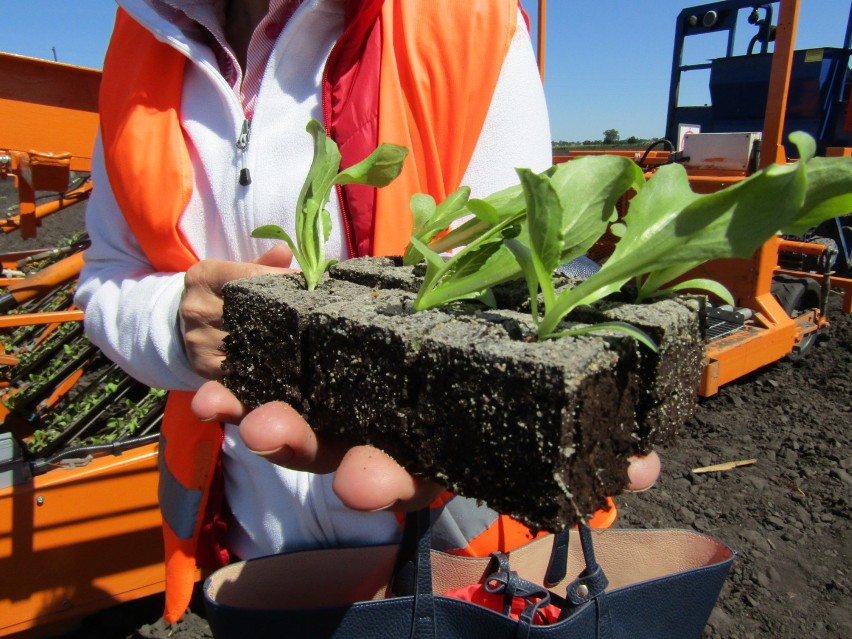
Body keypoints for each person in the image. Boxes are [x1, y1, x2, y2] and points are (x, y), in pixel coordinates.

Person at [77, 0, 661, 623]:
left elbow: (517, 270)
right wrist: (176, 324)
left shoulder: (464, 17)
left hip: (460, 551)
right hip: (253, 542)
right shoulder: (142, 35)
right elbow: (108, 275)